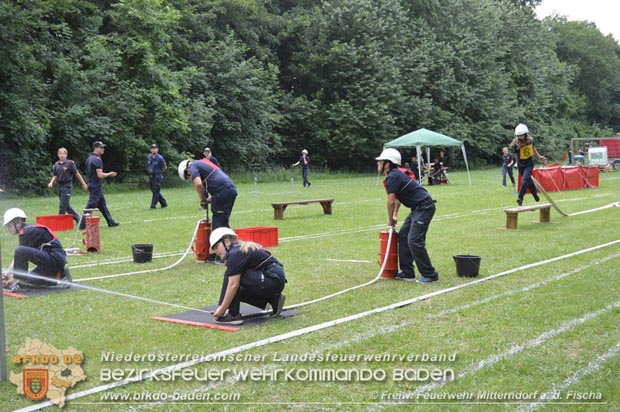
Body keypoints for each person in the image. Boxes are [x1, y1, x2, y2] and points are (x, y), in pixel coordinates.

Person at [376, 148, 439, 283]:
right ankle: (407, 272)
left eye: (380, 162)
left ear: (387, 163)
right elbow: (398, 198)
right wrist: (395, 215)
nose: (378, 164)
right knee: (404, 236)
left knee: (414, 240)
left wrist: (390, 221)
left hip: (424, 207)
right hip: (417, 208)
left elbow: (391, 200)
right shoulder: (394, 175)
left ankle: (430, 274)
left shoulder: (393, 176)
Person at [209, 227, 287, 325]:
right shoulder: (237, 250)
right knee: (235, 283)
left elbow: (233, 285)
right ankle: (274, 299)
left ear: (227, 242)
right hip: (274, 278)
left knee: (232, 278)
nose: (215, 251)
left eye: (216, 247)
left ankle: (233, 315)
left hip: (272, 277)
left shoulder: (235, 254)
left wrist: (222, 308)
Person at [178, 157, 237, 263]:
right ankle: (230, 251)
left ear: (186, 169)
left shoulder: (193, 166)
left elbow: (198, 184)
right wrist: (210, 199)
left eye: (188, 175)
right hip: (229, 190)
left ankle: (223, 255)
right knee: (222, 221)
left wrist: (201, 199)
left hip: (222, 192)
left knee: (219, 224)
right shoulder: (203, 163)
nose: (190, 176)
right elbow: (214, 181)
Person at [2, 208, 71, 291]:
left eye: (9, 226)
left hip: (54, 258)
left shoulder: (26, 232)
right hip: (54, 259)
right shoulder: (28, 230)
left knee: (20, 251)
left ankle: (22, 283)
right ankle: (59, 275)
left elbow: (20, 253)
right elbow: (18, 258)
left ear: (17, 222)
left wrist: (14, 278)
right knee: (31, 280)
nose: (8, 229)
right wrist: (7, 275)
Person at [80, 140, 119, 229]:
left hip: (91, 183)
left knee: (102, 205)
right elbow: (100, 175)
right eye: (101, 147)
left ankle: (111, 222)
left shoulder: (89, 158)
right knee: (91, 205)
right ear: (96, 148)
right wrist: (110, 174)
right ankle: (82, 224)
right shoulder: (97, 160)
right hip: (96, 185)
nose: (103, 149)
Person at [48, 147, 88, 223]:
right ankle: (78, 218)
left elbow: (77, 173)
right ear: (58, 154)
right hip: (60, 186)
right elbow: (55, 175)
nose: (62, 155)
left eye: (64, 153)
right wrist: (51, 182)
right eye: (60, 153)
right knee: (65, 205)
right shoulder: (56, 164)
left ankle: (59, 222)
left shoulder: (70, 163)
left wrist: (83, 183)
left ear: (66, 155)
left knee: (63, 205)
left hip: (67, 185)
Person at [511, 124, 546, 206]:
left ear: (525, 134)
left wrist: (539, 157)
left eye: (522, 135)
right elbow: (515, 154)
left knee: (524, 180)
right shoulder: (516, 143)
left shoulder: (530, 141)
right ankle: (535, 194)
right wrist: (516, 160)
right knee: (528, 181)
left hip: (529, 164)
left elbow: (533, 149)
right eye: (519, 136)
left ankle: (520, 198)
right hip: (521, 165)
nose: (520, 137)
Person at [147, 144, 168, 209]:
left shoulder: (160, 158)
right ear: (151, 149)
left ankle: (153, 206)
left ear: (157, 149)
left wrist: (159, 172)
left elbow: (164, 167)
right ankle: (163, 203)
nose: (154, 149)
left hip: (157, 176)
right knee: (153, 190)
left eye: (155, 148)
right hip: (151, 175)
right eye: (152, 148)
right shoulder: (149, 156)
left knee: (156, 190)